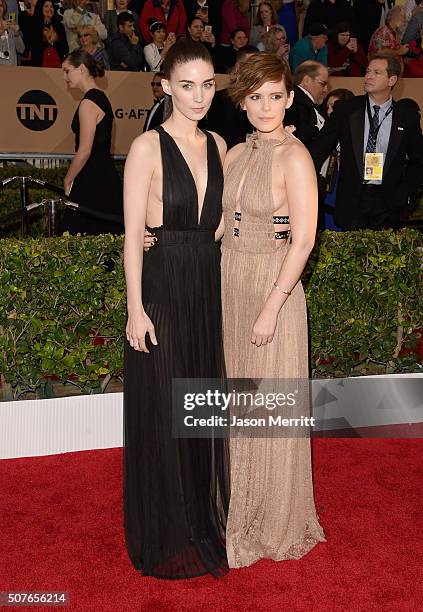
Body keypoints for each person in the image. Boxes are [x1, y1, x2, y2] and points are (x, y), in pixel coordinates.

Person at [123, 38, 229, 579]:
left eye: (208, 84)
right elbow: (130, 237)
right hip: (163, 286)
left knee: (200, 404)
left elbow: (230, 222)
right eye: (186, 85)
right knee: (166, 405)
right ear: (165, 86)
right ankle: (164, 527)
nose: (199, 95)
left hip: (206, 284)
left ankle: (200, 519)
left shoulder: (219, 143)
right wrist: (134, 310)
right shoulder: (147, 148)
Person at [222, 52, 325, 568]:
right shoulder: (235, 155)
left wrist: (272, 307)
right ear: (242, 101)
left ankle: (274, 516)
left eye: (276, 96)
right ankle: (242, 502)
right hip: (230, 282)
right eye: (256, 97)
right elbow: (220, 224)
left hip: (272, 288)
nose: (266, 107)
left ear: (289, 98)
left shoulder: (295, 156)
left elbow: (303, 239)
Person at [310, 53, 423, 230]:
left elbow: (419, 160)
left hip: (388, 203)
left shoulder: (406, 117)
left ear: (392, 79)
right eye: (368, 71)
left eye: (377, 72)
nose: (369, 76)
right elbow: (319, 150)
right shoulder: (346, 110)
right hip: (352, 199)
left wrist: (406, 193)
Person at [61, 49, 124, 235]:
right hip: (102, 175)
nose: (65, 77)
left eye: (67, 70)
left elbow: (85, 150)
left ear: (81, 69)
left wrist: (68, 179)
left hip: (91, 177)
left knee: (79, 238)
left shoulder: (89, 102)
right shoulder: (101, 98)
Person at [204, 44, 256, 148]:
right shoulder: (222, 98)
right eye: (250, 65)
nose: (254, 70)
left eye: (258, 65)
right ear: (238, 67)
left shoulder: (264, 96)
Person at [321, 87, 354, 230]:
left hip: (346, 187)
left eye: (334, 107)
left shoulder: (355, 134)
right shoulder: (323, 132)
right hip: (327, 187)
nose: (329, 111)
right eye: (327, 106)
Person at [283, 60, 329, 150]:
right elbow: (296, 134)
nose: (325, 90)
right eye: (322, 84)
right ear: (307, 80)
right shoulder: (293, 101)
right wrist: (320, 129)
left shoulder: (309, 103)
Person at [28, 0, 68, 67]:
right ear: (40, 8)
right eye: (46, 6)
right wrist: (47, 41)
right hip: (39, 66)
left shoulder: (59, 26)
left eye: (51, 7)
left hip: (58, 65)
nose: (49, 9)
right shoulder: (34, 25)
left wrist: (57, 39)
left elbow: (66, 48)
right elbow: (34, 49)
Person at [368, 5, 409, 72]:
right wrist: (399, 51)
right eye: (403, 17)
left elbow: (392, 50)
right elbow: (379, 52)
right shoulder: (382, 32)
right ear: (395, 16)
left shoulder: (395, 32)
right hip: (383, 75)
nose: (405, 20)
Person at [0, 0, 24, 65]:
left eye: (1, 5)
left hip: (12, 70)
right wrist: (1, 31)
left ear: (4, 8)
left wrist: (17, 34)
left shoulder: (10, 26)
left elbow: (21, 50)